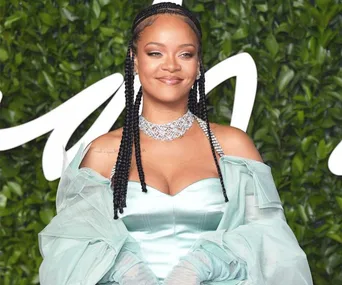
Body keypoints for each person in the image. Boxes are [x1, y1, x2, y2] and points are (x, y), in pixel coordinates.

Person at [38, 2, 313, 284]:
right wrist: (129, 271)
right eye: (155, 52)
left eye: (185, 54)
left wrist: (203, 264)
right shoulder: (103, 153)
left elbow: (271, 242)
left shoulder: (232, 146)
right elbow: (72, 248)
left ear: (198, 63)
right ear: (134, 58)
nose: (171, 65)